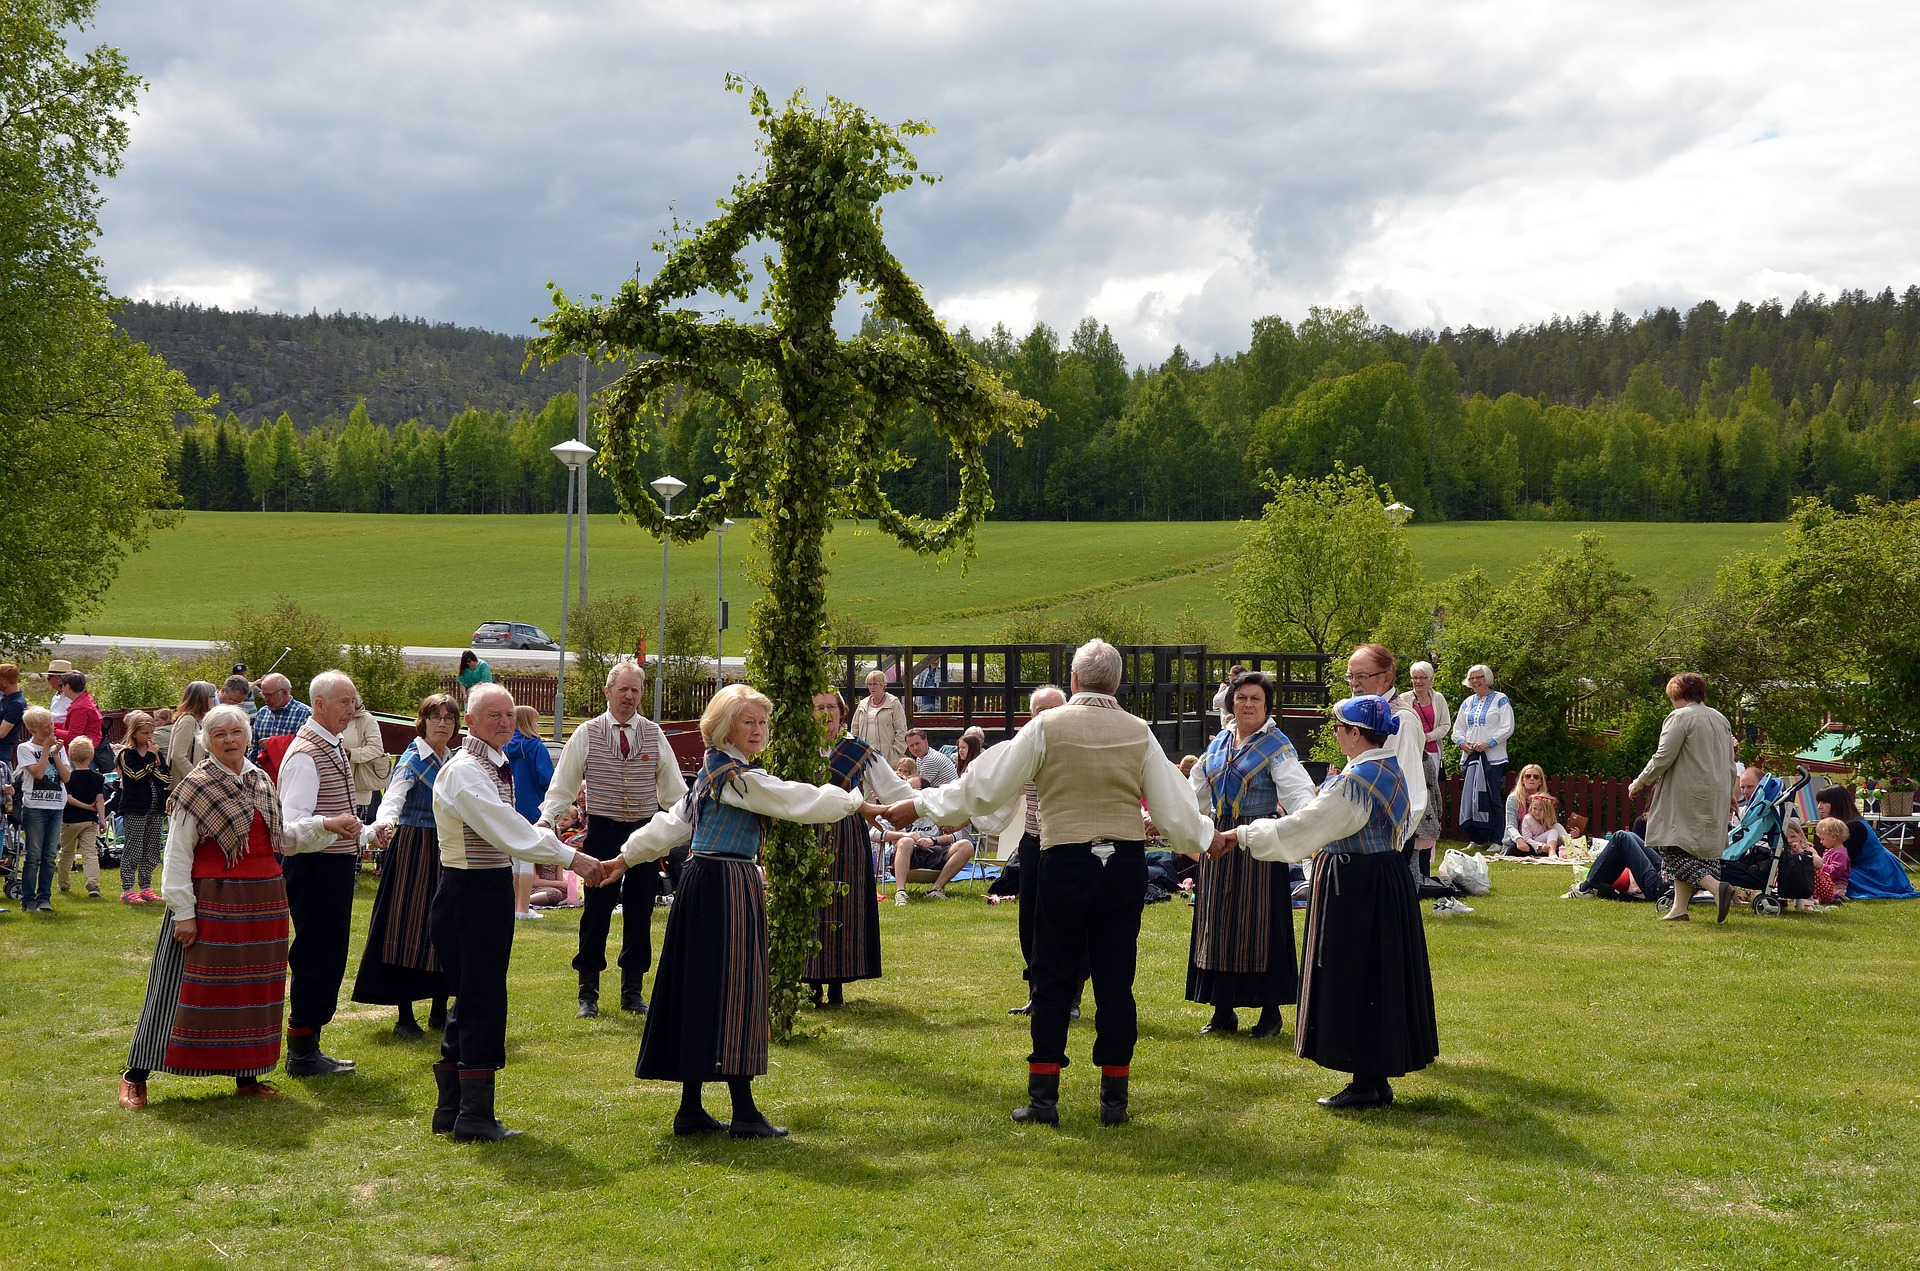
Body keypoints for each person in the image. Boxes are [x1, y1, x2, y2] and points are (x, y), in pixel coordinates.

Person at [884, 640, 1217, 1128]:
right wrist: (1207, 839)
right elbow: (1175, 811)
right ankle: (1113, 1101)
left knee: (1053, 975)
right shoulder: (1139, 733)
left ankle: (1044, 1100)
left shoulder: (1045, 726)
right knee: (1116, 980)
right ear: (1117, 684)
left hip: (1065, 859)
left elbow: (983, 788)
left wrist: (920, 805)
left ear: (1075, 683)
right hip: (1123, 863)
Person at [602, 683, 878, 1139]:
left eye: (761, 722)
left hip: (706, 885)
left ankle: (692, 1108)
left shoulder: (720, 772)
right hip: (725, 887)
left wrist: (624, 857)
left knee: (702, 989)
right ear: (725, 725)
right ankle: (742, 1111)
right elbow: (792, 799)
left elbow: (674, 822)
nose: (757, 730)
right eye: (747, 722)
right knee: (736, 991)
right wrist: (856, 802)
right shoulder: (735, 777)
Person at [1223, 695, 1439, 1110]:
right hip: (1384, 879)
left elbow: (1307, 826)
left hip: (1356, 885)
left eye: (1339, 727)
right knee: (1377, 975)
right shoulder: (1389, 769)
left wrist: (1241, 836)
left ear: (1356, 733)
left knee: (1353, 974)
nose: (1335, 733)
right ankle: (1373, 1079)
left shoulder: (1357, 781)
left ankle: (1365, 1082)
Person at [428, 683, 604, 1140]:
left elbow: (515, 827)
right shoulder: (466, 771)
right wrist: (572, 858)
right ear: (469, 721)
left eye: (509, 714)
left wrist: (546, 828)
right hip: (468, 892)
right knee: (482, 1001)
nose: (504, 722)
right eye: (493, 715)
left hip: (482, 891)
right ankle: (474, 1117)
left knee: (471, 996)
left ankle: (451, 1110)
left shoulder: (493, 766)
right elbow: (506, 830)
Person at [119, 705, 292, 1109]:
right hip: (212, 902)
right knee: (178, 989)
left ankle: (247, 1076)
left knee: (250, 991)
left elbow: (279, 838)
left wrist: (326, 827)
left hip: (262, 904)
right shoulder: (196, 786)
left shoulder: (261, 779)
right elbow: (177, 854)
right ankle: (136, 1074)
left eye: (236, 732)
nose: (230, 740)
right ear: (206, 742)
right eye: (220, 735)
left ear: (247, 735)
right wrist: (183, 912)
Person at [538, 660, 687, 1018]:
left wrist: (689, 822)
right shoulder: (587, 733)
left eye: (635, 690)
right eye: (623, 689)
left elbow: (674, 792)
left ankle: (632, 992)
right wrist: (547, 819)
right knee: (596, 912)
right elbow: (564, 784)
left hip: (644, 832)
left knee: (640, 911)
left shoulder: (653, 734)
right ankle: (587, 993)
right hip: (602, 832)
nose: (630, 696)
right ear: (608, 692)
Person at [1186, 668, 1315, 1040]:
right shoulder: (1221, 742)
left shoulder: (1276, 746)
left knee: (1261, 925)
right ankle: (1222, 1010)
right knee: (1219, 922)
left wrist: (1310, 829)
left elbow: (1299, 795)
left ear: (1267, 706)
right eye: (1241, 698)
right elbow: (1197, 791)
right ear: (1231, 703)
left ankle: (1270, 1014)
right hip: (1218, 843)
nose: (1247, 704)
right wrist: (1170, 817)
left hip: (1259, 842)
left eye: (1255, 699)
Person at [277, 670, 369, 1075]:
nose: (352, 710)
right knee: (316, 954)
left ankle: (309, 1045)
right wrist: (331, 826)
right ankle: (301, 1052)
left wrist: (365, 833)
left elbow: (332, 817)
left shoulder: (330, 745)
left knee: (329, 953)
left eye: (354, 702)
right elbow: (290, 825)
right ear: (319, 705)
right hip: (313, 867)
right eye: (345, 703)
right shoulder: (306, 754)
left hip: (331, 865)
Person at [353, 694, 459, 1037]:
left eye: (448, 718)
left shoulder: (454, 760)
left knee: (446, 925)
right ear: (422, 721)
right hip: (415, 846)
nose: (442, 723)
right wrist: (384, 824)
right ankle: (404, 1016)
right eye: (435, 717)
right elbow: (393, 797)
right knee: (406, 925)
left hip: (447, 849)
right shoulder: (413, 759)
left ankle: (440, 1011)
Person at [805, 690, 915, 1006]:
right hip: (806, 834)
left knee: (842, 906)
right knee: (809, 907)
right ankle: (810, 983)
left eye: (830, 707)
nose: (825, 713)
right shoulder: (800, 748)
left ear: (842, 712)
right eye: (818, 708)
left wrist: (929, 806)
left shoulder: (858, 750)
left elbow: (895, 789)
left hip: (844, 836)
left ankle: (837, 984)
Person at [1628, 672, 1738, 922]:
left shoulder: (1680, 717)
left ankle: (1715, 888)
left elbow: (1663, 756)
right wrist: (1731, 792)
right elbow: (1730, 762)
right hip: (1715, 793)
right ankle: (1679, 908)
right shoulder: (1720, 719)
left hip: (1686, 793)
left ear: (1677, 694)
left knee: (1671, 844)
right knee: (1693, 849)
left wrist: (1640, 781)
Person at [1007, 685, 1068, 1015]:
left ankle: (1069, 995)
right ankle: (1037, 992)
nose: (1045, 719)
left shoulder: (1076, 745)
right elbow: (1000, 787)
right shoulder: (1023, 747)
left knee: (1067, 920)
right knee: (1028, 919)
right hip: (1033, 841)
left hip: (1069, 842)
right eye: (1039, 713)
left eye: (1053, 711)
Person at [1394, 661, 1450, 879]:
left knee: (1429, 794)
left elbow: (1445, 725)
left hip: (1431, 752)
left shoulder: (1439, 699)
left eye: (1422, 678)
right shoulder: (1405, 699)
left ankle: (1427, 836)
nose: (1418, 682)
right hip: (1411, 751)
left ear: (1430, 679)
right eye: (1415, 678)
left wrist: (1428, 737)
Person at [1813, 784, 1918, 900]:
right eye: (1819, 802)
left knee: (1831, 878)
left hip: (1879, 872)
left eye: (1824, 802)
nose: (1819, 807)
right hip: (1864, 867)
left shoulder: (1853, 827)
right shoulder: (1845, 824)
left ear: (1838, 804)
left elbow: (1841, 865)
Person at [16, 707, 71, 913]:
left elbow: (66, 778)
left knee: (49, 855)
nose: (51, 729)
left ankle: (44, 898)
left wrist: (56, 753)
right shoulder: (25, 749)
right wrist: (46, 750)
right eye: (45, 726)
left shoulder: (58, 748)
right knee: (34, 856)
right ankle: (28, 900)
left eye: (51, 724)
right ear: (32, 729)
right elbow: (38, 774)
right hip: (35, 808)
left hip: (56, 806)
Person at [1453, 664, 1514, 848]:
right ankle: (1477, 838)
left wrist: (1489, 743)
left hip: (1492, 758)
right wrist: (1462, 743)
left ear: (1487, 678)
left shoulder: (1500, 700)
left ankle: (1497, 839)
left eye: (1479, 677)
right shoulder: (1468, 702)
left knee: (1492, 797)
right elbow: (1457, 729)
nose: (1475, 681)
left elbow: (1507, 726)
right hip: (1471, 758)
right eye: (1472, 678)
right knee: (1472, 799)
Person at [506, 704, 556, 920]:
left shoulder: (504, 746)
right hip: (532, 809)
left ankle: (515, 907)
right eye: (535, 721)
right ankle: (523, 909)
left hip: (509, 808)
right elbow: (548, 778)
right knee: (526, 859)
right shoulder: (536, 747)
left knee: (515, 860)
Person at [116, 712, 166, 904]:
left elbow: (166, 777)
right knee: (134, 847)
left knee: (152, 847)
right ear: (134, 733)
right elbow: (136, 775)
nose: (149, 737)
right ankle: (127, 889)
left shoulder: (157, 753)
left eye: (151, 732)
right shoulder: (126, 755)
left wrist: (152, 765)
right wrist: (150, 760)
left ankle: (146, 886)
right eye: (145, 733)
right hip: (136, 807)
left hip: (156, 806)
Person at [58, 736, 107, 898]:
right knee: (90, 853)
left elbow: (68, 798)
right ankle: (93, 883)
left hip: (70, 820)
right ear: (91, 757)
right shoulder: (98, 778)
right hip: (90, 821)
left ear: (70, 757)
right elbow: (100, 800)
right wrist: (101, 819)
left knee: (66, 853)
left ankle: (64, 883)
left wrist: (84, 806)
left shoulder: (68, 777)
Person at [886, 816, 976, 904]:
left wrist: (933, 840)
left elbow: (956, 835)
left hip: (935, 853)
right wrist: (906, 835)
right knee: (905, 841)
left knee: (966, 845)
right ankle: (900, 893)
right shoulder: (900, 812)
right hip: (907, 855)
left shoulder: (938, 811)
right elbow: (874, 834)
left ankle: (935, 890)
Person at [248, 673, 311, 765]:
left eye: (269, 695)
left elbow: (305, 748)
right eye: (263, 695)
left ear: (284, 693)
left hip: (289, 772)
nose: (265, 699)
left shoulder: (305, 713)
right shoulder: (262, 712)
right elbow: (254, 748)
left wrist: (273, 744)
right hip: (262, 774)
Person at [850, 669, 908, 766]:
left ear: (882, 685)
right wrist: (856, 748)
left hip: (887, 757)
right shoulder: (863, 704)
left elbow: (902, 730)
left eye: (875, 684)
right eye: (869, 684)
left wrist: (895, 752)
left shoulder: (893, 703)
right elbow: (855, 728)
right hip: (865, 755)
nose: (872, 687)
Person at [167, 682, 217, 787]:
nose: (214, 699)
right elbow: (178, 755)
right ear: (201, 699)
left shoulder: (199, 721)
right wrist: (196, 779)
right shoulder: (188, 720)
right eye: (211, 696)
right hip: (183, 786)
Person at [53, 671, 105, 755]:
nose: (61, 688)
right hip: (89, 747)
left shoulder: (80, 708)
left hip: (83, 752)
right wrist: (52, 725)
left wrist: (52, 730)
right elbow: (70, 726)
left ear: (68, 686)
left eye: (61, 685)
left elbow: (73, 736)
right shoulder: (85, 700)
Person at [1502, 764, 1549, 854]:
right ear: (1523, 780)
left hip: (1538, 840)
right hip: (1517, 842)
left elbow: (1549, 824)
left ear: (1540, 781)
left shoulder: (1545, 800)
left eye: (1536, 777)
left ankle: (1569, 841)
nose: (1531, 779)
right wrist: (1519, 839)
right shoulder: (1513, 798)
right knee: (1513, 849)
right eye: (1528, 776)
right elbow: (1511, 825)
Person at [1514, 794, 1568, 858]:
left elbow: (1554, 837)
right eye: (1534, 808)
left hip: (1548, 843)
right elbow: (1526, 838)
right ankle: (1552, 852)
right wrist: (1540, 845)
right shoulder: (1528, 819)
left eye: (1541, 810)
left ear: (1547, 811)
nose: (1537, 812)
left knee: (1557, 826)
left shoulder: (1548, 819)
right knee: (1553, 831)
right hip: (1534, 845)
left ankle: (1571, 845)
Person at [0, 663, 26, 766]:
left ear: (5, 682)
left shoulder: (16, 704)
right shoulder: (6, 697)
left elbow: (2, 732)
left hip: (2, 752)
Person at [43, 659, 74, 730]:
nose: (48, 681)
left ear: (58, 678)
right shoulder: (55, 697)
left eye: (49, 678)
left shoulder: (73, 698)